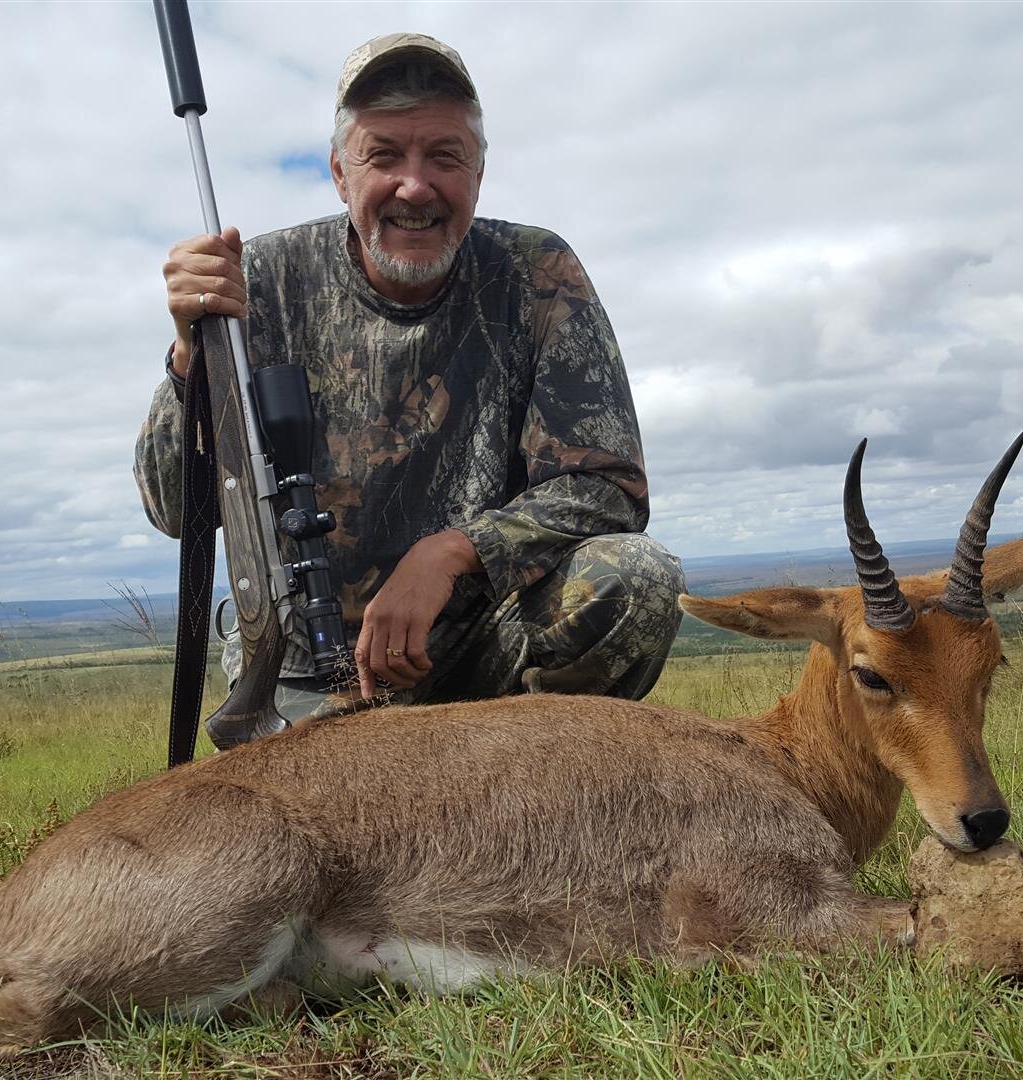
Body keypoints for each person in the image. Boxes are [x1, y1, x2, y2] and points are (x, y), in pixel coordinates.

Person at [136, 32, 683, 724]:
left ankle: (531, 804)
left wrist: (452, 553)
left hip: (482, 651)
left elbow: (608, 488)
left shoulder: (537, 273)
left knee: (636, 581)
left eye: (444, 157)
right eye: (384, 155)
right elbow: (173, 509)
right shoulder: (258, 283)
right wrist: (192, 354)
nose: (415, 186)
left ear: (478, 173)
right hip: (307, 667)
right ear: (340, 173)